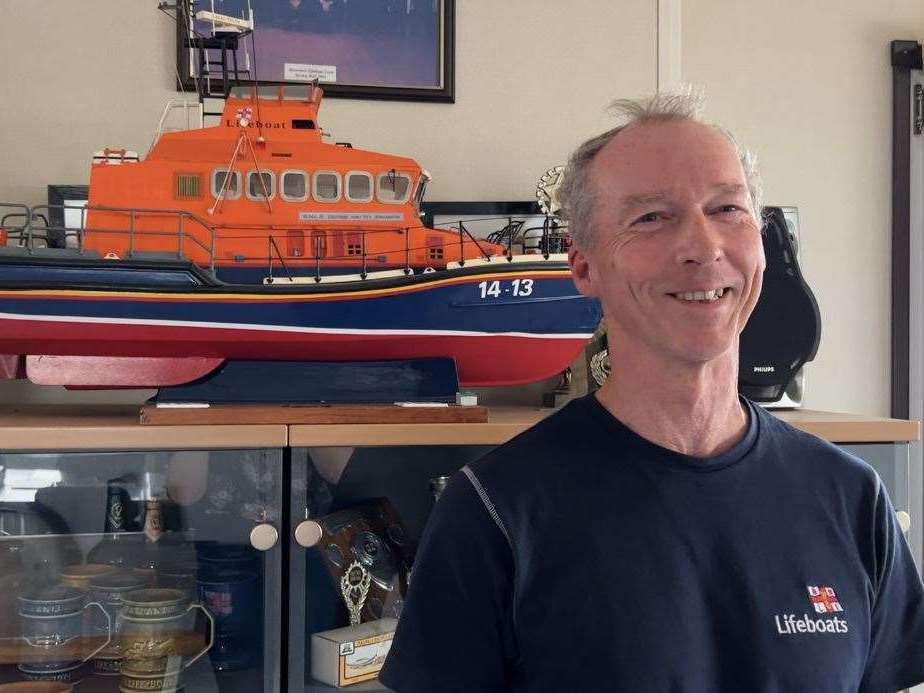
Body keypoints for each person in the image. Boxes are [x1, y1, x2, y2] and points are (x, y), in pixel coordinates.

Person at [378, 92, 924, 692]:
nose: (703, 246)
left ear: (762, 247)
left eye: (728, 209)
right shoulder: (496, 512)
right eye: (651, 218)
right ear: (582, 267)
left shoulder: (850, 498)